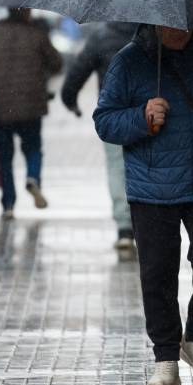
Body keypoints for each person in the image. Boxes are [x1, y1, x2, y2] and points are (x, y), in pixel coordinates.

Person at [94, 25, 193, 385]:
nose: (179, 28)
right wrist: (141, 117)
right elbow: (104, 121)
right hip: (151, 187)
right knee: (157, 273)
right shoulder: (129, 61)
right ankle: (165, 357)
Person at [0, 8, 62, 220]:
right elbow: (57, 63)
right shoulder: (36, 33)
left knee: (4, 157)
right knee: (33, 148)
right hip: (31, 105)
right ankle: (33, 177)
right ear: (27, 10)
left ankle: (8, 204)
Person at [61, 21, 140, 257]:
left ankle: (124, 228)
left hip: (113, 113)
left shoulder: (101, 36)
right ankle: (144, 220)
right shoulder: (150, 33)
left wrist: (69, 98)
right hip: (145, 113)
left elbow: (79, 69)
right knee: (146, 165)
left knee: (117, 168)